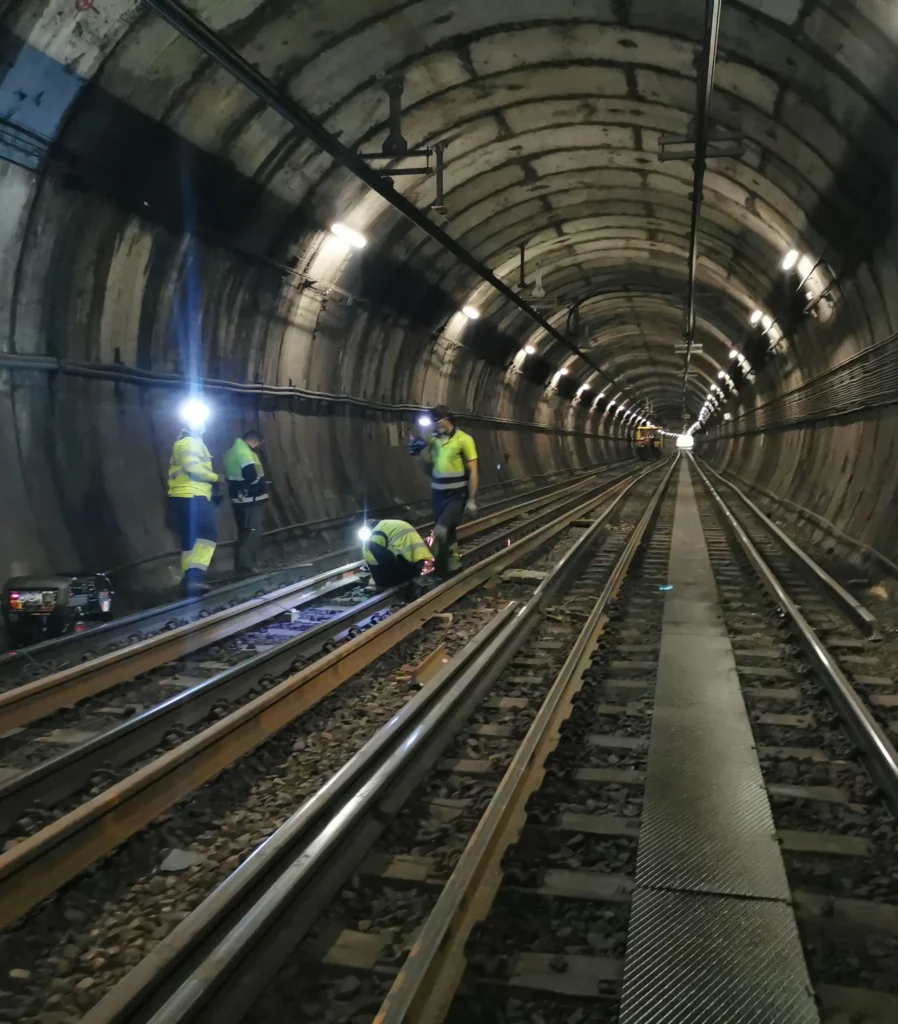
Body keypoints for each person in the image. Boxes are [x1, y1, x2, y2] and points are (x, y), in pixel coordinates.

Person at [414, 405, 479, 577]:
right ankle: (454, 568)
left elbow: (473, 470)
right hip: (438, 495)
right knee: (448, 534)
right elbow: (431, 470)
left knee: (441, 532)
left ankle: (438, 570)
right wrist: (417, 456)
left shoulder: (464, 439)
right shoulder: (434, 441)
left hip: (456, 495)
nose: (433, 425)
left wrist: (471, 499)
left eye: (436, 421)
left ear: (446, 419)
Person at [167, 401, 221, 596]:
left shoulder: (182, 442)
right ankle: (194, 578)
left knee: (190, 541)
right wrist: (216, 478)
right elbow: (192, 467)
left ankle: (188, 579)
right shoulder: (191, 442)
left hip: (179, 498)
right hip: (193, 496)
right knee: (209, 536)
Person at [223, 429, 268, 575]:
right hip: (249, 498)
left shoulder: (231, 451)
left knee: (244, 531)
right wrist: (258, 484)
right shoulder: (244, 452)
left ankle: (243, 565)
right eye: (258, 443)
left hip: (239, 498)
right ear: (255, 441)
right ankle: (247, 566)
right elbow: (250, 473)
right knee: (252, 531)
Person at [360, 519, 433, 590]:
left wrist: (381, 583)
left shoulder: (375, 534)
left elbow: (382, 559)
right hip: (421, 559)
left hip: (408, 565)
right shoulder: (388, 524)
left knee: (375, 550)